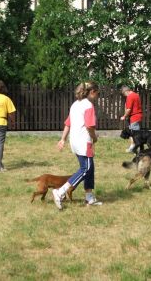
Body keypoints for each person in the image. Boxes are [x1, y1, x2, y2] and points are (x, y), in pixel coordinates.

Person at [53, 81, 102, 210]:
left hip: (74, 141)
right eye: (98, 93)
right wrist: (94, 137)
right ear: (92, 92)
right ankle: (60, 191)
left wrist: (63, 139)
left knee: (89, 169)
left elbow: (68, 123)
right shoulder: (88, 106)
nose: (97, 96)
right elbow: (90, 126)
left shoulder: (75, 105)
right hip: (84, 142)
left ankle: (89, 198)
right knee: (85, 169)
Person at [120, 85, 143, 152]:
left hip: (134, 117)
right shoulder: (136, 95)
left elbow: (129, 109)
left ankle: (134, 148)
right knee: (134, 133)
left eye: (124, 94)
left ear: (126, 91)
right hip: (138, 116)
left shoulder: (130, 97)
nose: (124, 96)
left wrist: (124, 116)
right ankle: (133, 148)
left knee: (135, 134)